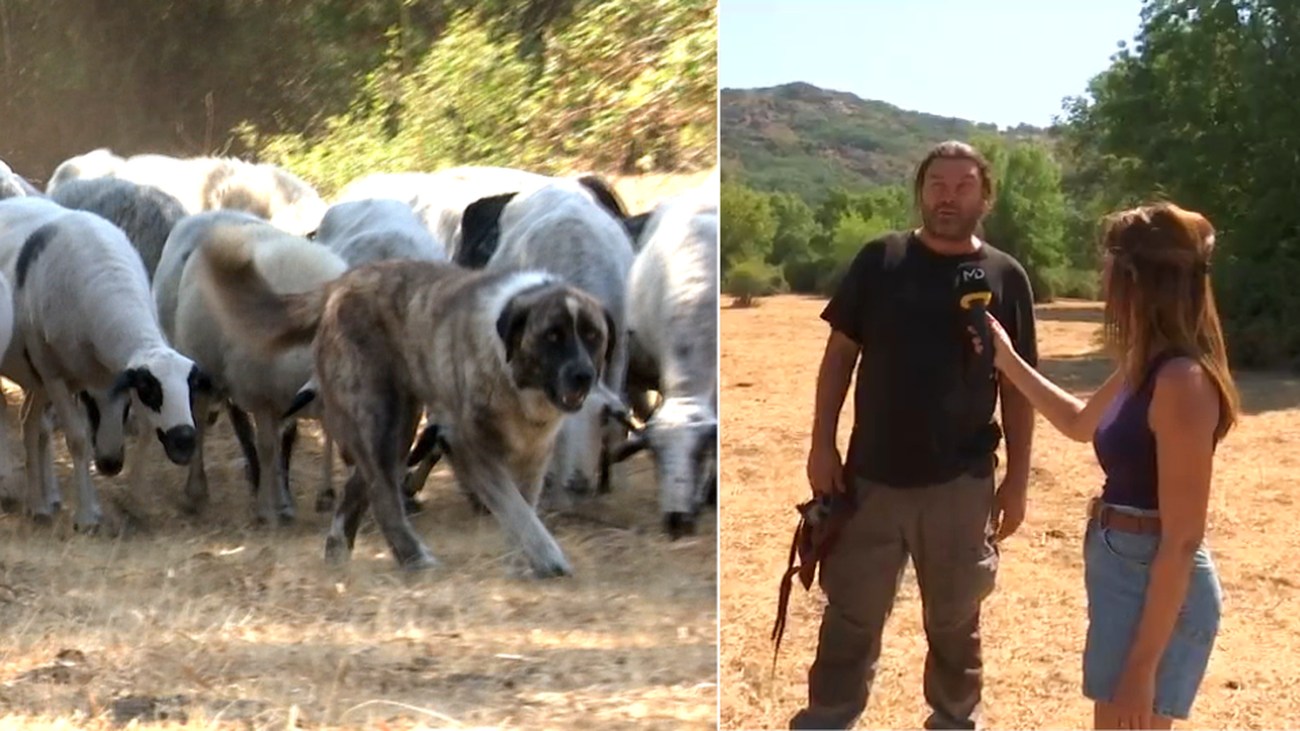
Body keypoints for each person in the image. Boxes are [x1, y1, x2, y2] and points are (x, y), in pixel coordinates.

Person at [791, 140, 1039, 730]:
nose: (947, 197)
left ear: (986, 195)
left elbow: (1020, 388)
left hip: (962, 483)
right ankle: (828, 718)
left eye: (962, 186)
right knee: (851, 614)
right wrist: (822, 444)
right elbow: (838, 358)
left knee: (955, 620)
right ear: (920, 191)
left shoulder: (1007, 277)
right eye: (936, 184)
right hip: (870, 477)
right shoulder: (882, 259)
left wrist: (1018, 483)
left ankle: (954, 721)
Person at [982, 201, 1236, 730]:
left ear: (1133, 278)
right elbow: (1078, 423)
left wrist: (1142, 666)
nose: (1100, 275)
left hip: (1155, 578)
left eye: (1108, 264)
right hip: (1125, 565)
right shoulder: (1146, 359)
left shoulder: (1180, 381)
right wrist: (1007, 359)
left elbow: (1183, 539)